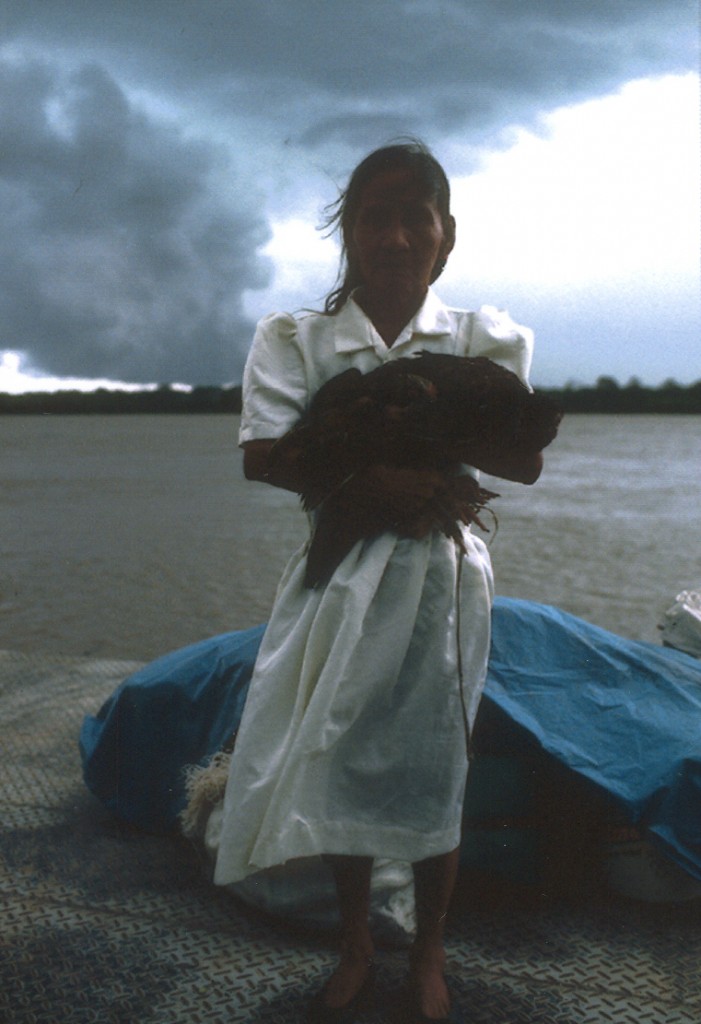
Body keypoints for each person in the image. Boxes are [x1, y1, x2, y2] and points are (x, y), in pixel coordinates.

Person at [214, 141, 543, 1023]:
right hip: (338, 570)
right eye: (375, 217)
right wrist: (371, 482)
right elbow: (262, 456)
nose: (395, 236)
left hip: (440, 573)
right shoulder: (299, 339)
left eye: (415, 217)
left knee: (439, 753)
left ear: (446, 236)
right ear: (348, 235)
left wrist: (428, 474)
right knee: (338, 750)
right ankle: (358, 941)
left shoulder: (480, 337)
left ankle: (428, 949)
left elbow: (514, 448)